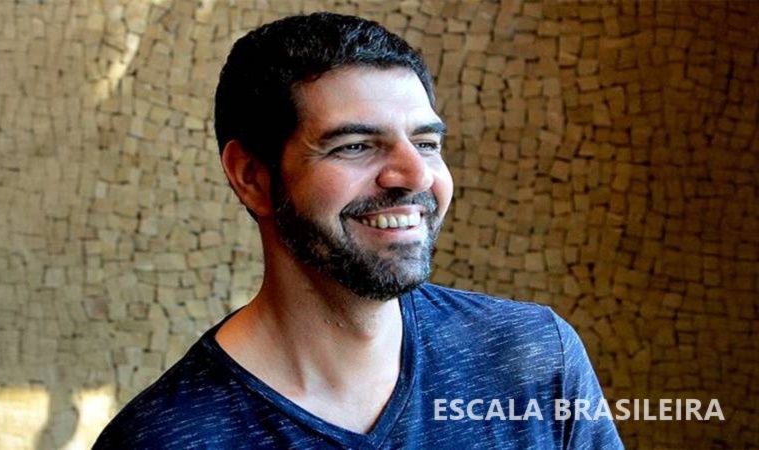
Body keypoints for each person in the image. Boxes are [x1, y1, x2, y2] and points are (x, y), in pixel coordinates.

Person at [94, 12, 623, 449]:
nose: (416, 175)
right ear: (252, 177)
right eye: (355, 146)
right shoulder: (165, 438)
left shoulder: (532, 356)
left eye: (427, 143)